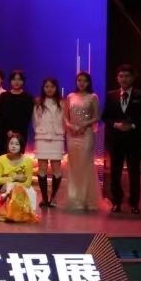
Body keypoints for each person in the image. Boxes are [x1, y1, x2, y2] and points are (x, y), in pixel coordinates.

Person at [103, 64, 141, 214]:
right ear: (117, 78)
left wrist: (133, 126)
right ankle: (116, 202)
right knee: (115, 172)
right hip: (116, 140)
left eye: (127, 76)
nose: (124, 79)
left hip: (133, 140)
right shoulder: (111, 95)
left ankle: (134, 204)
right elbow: (105, 118)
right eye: (121, 76)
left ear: (133, 78)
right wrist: (115, 125)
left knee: (134, 173)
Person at [64, 71, 102, 212]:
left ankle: (87, 198)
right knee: (73, 166)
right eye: (79, 80)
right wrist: (70, 126)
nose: (81, 83)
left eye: (84, 80)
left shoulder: (93, 97)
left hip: (86, 135)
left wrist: (84, 125)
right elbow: (65, 116)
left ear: (88, 82)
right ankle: (74, 198)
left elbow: (97, 116)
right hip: (72, 135)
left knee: (85, 165)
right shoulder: (70, 96)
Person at [0, 71, 34, 192]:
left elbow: (27, 116)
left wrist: (17, 135)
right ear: (10, 81)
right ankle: (2, 189)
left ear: (23, 81)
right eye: (14, 79)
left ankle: (17, 189)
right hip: (5, 134)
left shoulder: (28, 97)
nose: (17, 82)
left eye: (19, 79)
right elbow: (0, 115)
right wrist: (8, 131)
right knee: (4, 159)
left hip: (21, 134)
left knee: (19, 161)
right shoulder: (3, 96)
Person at [32, 77, 66, 208]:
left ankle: (53, 198)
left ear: (56, 88)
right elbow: (35, 121)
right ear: (43, 88)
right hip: (42, 138)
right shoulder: (38, 102)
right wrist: (41, 132)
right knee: (42, 168)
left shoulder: (62, 103)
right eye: (47, 86)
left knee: (56, 168)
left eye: (52, 86)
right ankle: (44, 199)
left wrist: (60, 131)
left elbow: (65, 120)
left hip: (57, 138)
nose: (49, 89)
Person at [0, 132, 40, 223]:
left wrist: (10, 185)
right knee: (10, 191)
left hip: (23, 190)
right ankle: (9, 212)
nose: (13, 146)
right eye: (11, 143)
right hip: (6, 191)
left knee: (17, 190)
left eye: (17, 144)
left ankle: (17, 214)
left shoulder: (28, 161)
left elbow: (27, 183)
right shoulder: (1, 159)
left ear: (21, 146)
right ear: (8, 145)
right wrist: (15, 178)